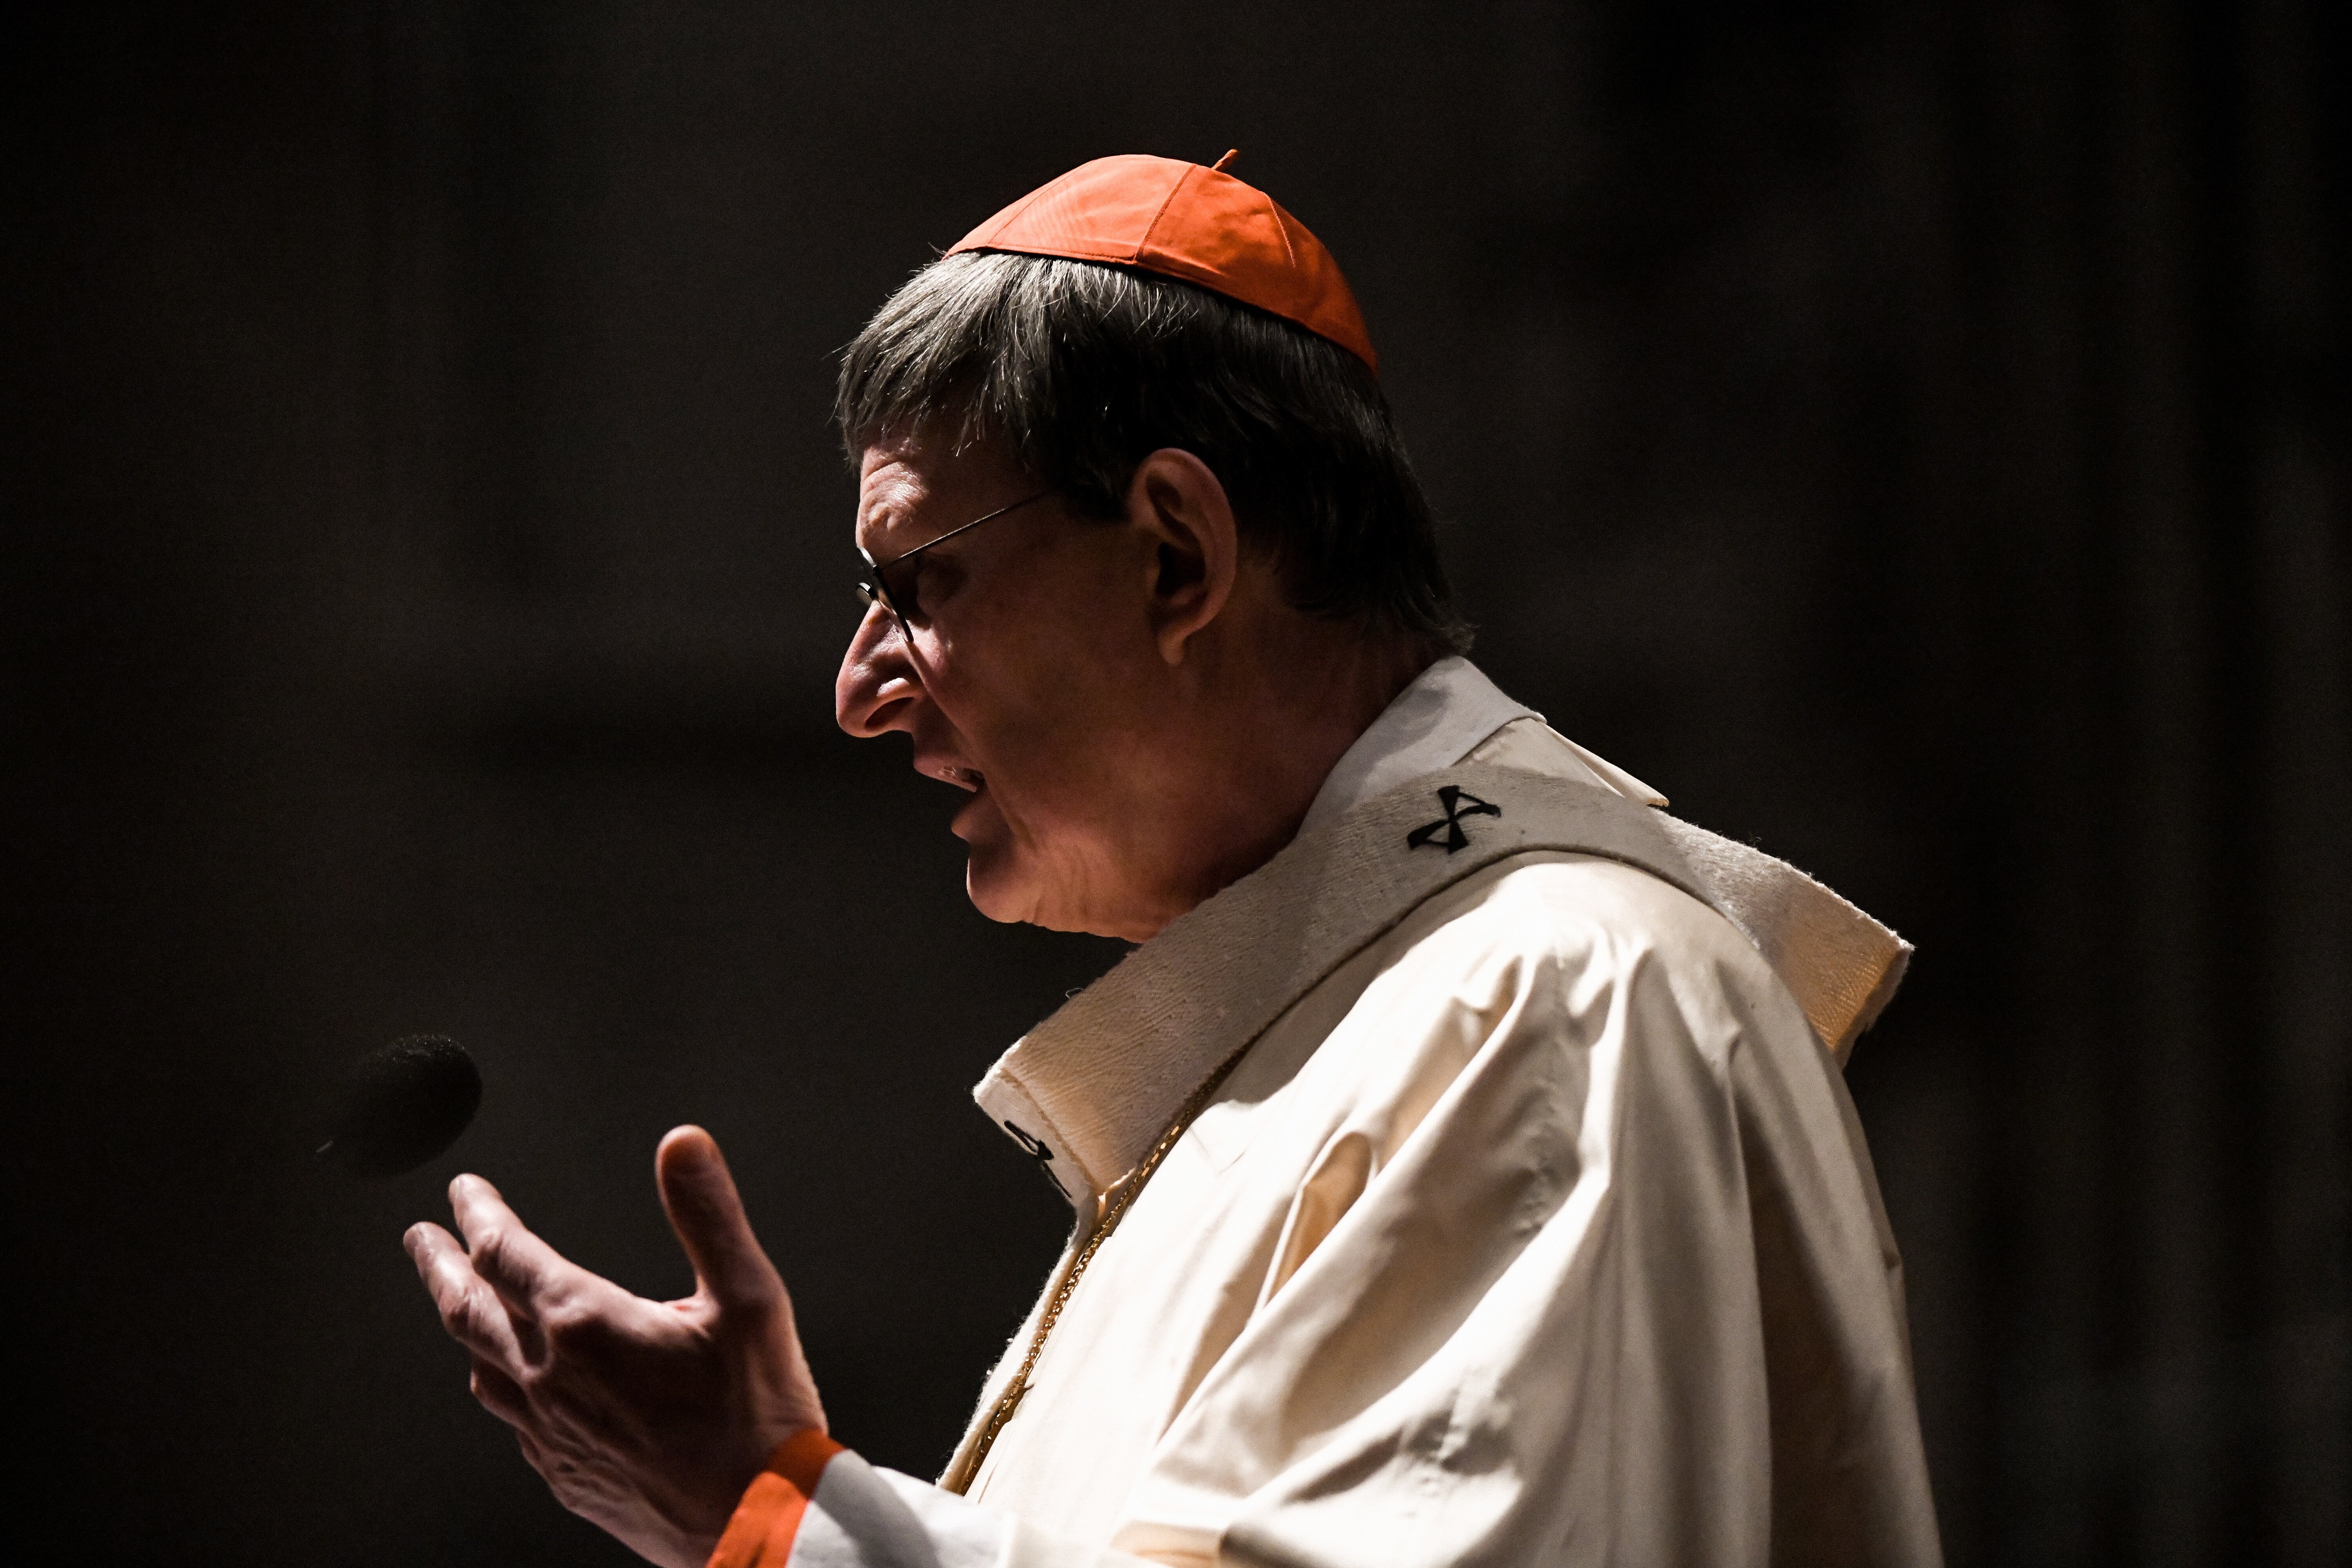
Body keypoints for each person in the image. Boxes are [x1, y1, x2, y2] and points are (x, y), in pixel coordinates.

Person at [407, 152, 1943, 1567]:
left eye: (923, 578)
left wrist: (776, 1527)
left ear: (1176, 556)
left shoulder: (1552, 1003)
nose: (860, 687)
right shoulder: (1394, 1021)